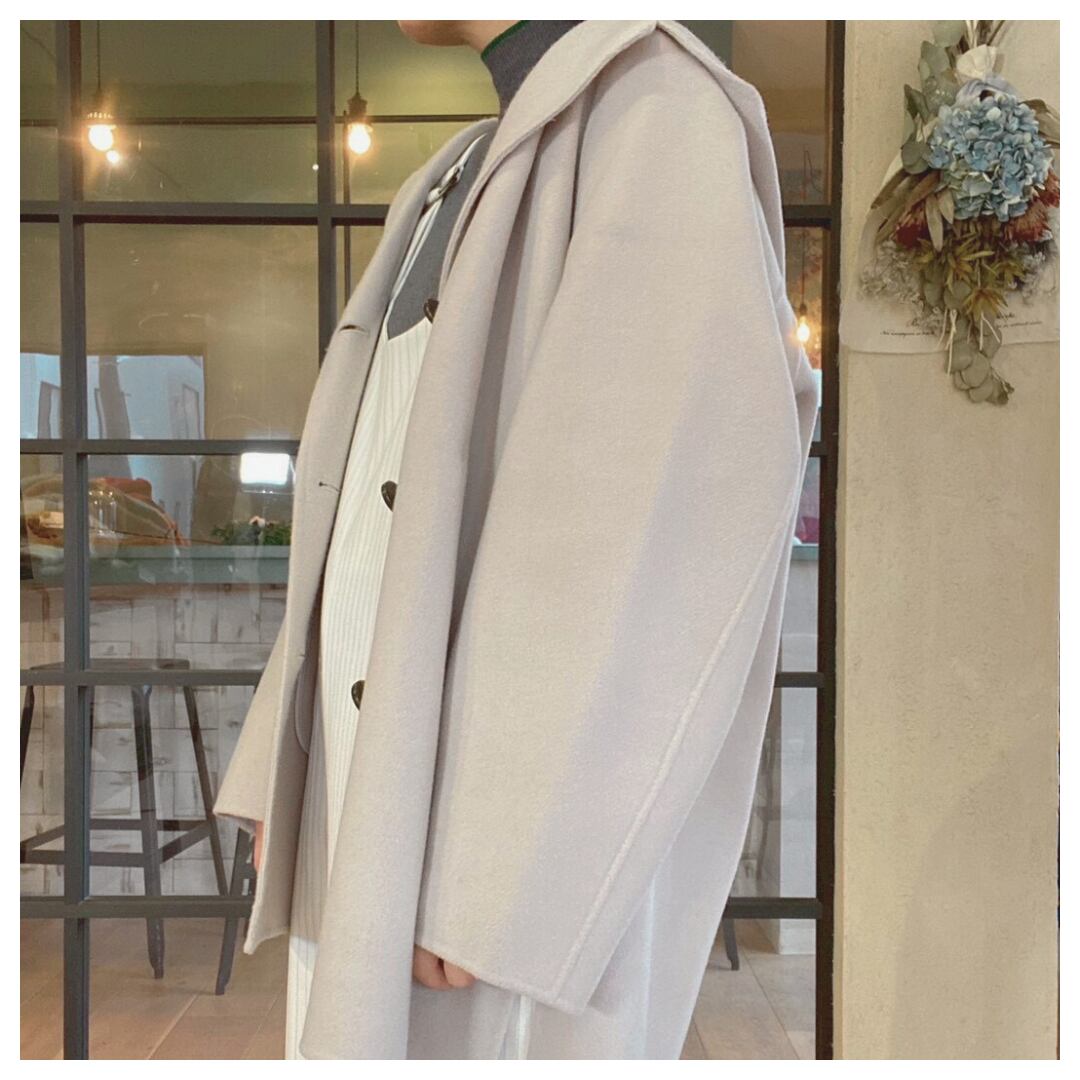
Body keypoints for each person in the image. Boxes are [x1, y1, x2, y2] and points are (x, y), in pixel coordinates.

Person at [214, 19, 818, 1059]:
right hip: (375, 800)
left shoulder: (658, 117)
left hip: (480, 873)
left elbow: (640, 544)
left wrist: (498, 871)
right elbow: (356, 506)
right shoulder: (459, 168)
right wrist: (292, 766)